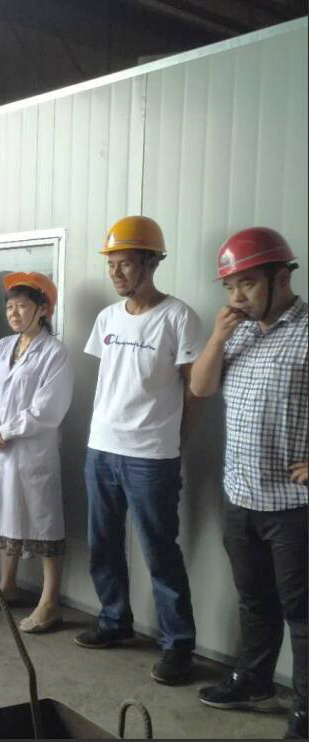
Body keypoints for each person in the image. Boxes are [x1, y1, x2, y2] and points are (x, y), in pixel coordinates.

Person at [189, 227, 307, 740]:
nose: (237, 297)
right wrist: (218, 337)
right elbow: (200, 387)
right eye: (230, 286)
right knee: (254, 599)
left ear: (281, 278)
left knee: (302, 612)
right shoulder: (236, 332)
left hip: (293, 505)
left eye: (248, 284)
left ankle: (305, 710)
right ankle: (254, 681)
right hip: (239, 495)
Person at [75, 215, 203, 686]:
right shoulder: (107, 319)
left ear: (151, 262)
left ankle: (178, 645)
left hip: (151, 455)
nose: (115, 273)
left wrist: (176, 439)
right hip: (101, 449)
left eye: (124, 263)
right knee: (102, 544)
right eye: (110, 264)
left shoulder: (178, 317)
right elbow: (110, 382)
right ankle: (114, 621)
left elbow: (195, 390)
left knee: (159, 552)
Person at [0, 272, 74, 632]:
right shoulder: (0, 348)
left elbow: (49, 408)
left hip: (32, 451)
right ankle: (8, 586)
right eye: (10, 307)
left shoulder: (55, 353)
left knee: (44, 522)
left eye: (22, 306)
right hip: (0, 450)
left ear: (43, 309)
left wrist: (5, 431)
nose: (14, 313)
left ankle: (50, 603)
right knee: (5, 515)